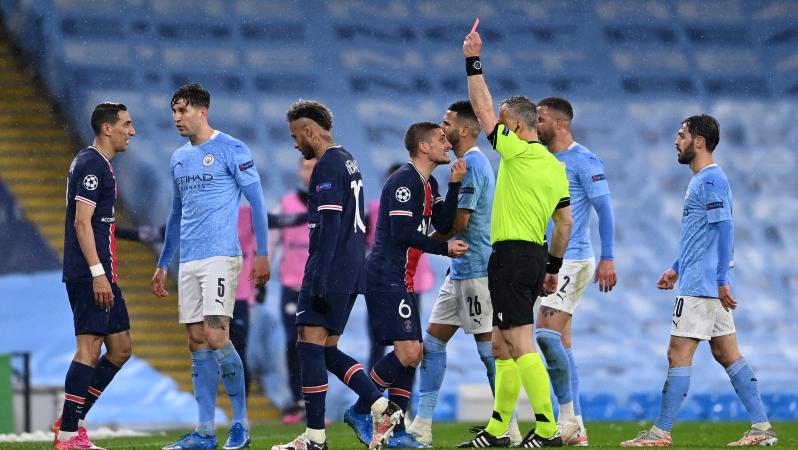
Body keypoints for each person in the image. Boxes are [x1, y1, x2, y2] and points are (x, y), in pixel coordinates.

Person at [620, 115, 778, 447]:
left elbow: (725, 227)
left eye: (682, 135)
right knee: (727, 353)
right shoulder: (705, 180)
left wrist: (722, 279)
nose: (676, 141)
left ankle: (660, 432)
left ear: (699, 142)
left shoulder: (710, 180)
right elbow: (703, 235)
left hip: (700, 287)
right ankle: (762, 427)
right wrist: (677, 267)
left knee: (677, 354)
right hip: (702, 281)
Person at [457, 30, 574, 448]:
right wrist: (552, 268)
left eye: (504, 123)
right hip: (534, 255)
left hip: (511, 256)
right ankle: (497, 431)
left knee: (520, 343)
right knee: (501, 345)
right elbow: (565, 224)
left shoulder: (517, 151)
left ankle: (547, 429)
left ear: (518, 127)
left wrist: (473, 60)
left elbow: (481, 108)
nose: (497, 129)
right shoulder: (555, 167)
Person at [273, 100, 402, 450]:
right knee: (326, 349)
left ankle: (315, 438)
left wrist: (319, 275)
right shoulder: (347, 158)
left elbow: (329, 224)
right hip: (351, 267)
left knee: (307, 345)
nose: (295, 144)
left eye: (295, 136)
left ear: (309, 130)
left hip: (332, 268)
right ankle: (381, 406)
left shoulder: (328, 164)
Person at [151, 84, 270, 450]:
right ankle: (204, 431)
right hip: (189, 260)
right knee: (196, 341)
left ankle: (241, 424)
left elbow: (257, 202)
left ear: (203, 111)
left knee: (217, 336)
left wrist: (262, 253)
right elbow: (176, 214)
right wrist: (163, 262)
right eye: (174, 111)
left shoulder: (232, 149)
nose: (176, 118)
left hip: (221, 256)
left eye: (183, 110)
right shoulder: (178, 158)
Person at [346, 122, 468, 449]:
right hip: (386, 276)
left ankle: (397, 431)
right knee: (409, 352)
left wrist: (454, 185)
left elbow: (443, 222)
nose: (448, 143)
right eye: (441, 139)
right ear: (424, 147)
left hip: (404, 278)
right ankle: (360, 409)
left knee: (413, 355)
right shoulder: (404, 180)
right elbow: (402, 232)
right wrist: (444, 249)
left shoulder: (430, 183)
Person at [407, 101, 520, 446]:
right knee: (433, 343)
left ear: (466, 130)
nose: (442, 129)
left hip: (477, 271)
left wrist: (424, 242)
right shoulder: (463, 165)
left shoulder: (472, 164)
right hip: (459, 271)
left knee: (491, 351)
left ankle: (509, 427)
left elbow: (461, 222)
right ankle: (423, 424)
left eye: (447, 123)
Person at [533, 97, 618, 446]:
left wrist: (608, 257)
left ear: (560, 123)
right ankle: (576, 428)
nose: (535, 125)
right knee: (562, 343)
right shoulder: (542, 159)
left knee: (545, 334)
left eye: (540, 119)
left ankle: (566, 419)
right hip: (548, 259)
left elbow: (605, 209)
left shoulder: (584, 160)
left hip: (574, 259)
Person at [55, 102, 136, 450]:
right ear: (107, 128)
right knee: (88, 349)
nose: (131, 131)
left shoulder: (97, 164)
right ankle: (68, 435)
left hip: (102, 272)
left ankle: (70, 420)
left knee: (120, 348)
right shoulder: (91, 164)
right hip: (91, 273)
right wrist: (98, 274)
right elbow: (81, 222)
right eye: (126, 125)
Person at [365, 163, 436, 371]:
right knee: (379, 342)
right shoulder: (374, 209)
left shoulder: (424, 209)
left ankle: (401, 393)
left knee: (411, 344)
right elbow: (362, 242)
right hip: (383, 281)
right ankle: (371, 390)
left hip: (412, 281)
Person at [275, 157, 317, 424]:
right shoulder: (286, 204)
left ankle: (313, 402)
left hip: (319, 286)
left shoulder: (331, 202)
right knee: (294, 342)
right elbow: (273, 240)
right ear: (299, 171)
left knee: (317, 345)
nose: (310, 172)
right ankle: (296, 400)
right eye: (306, 167)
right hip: (292, 284)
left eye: (314, 167)